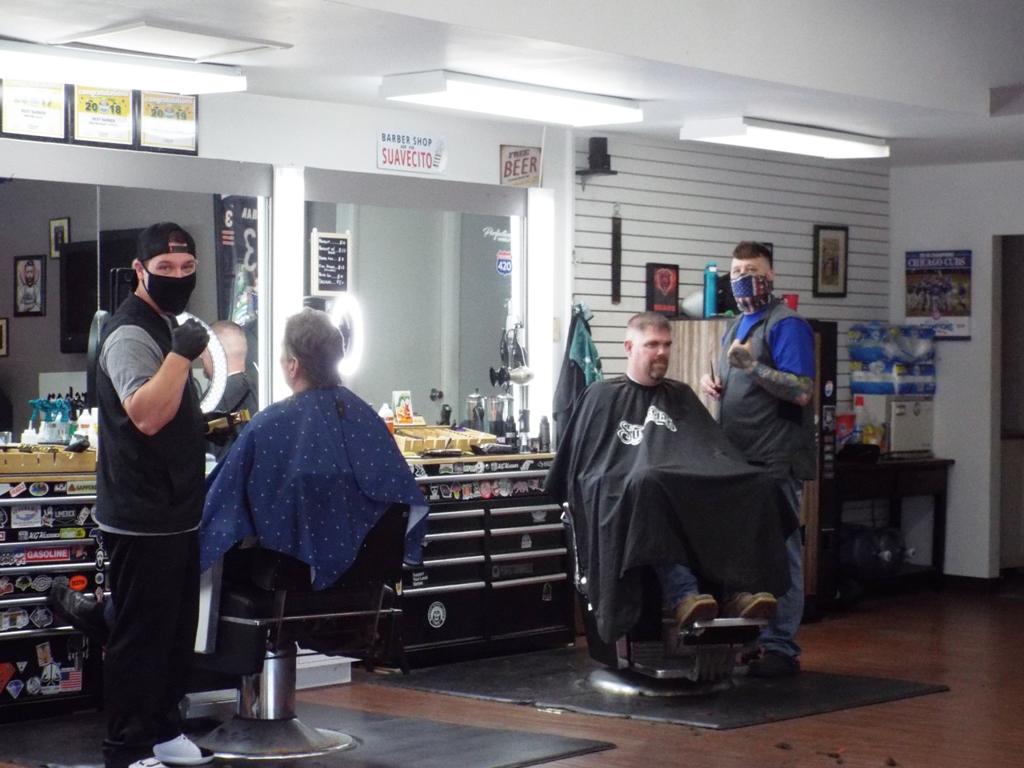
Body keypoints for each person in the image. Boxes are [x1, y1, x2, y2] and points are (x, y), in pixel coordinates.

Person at [49, 222, 213, 768]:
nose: (178, 277)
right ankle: (128, 746)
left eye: (187, 268)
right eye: (166, 268)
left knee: (173, 635)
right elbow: (146, 415)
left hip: (177, 510)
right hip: (141, 513)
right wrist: (182, 355)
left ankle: (164, 730)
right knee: (141, 638)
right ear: (141, 271)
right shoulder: (129, 335)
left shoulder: (164, 326)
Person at [546, 311, 792, 650]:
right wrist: (623, 478)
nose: (662, 352)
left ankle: (738, 591)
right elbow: (584, 470)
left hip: (674, 487)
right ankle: (683, 594)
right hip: (627, 495)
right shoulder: (600, 395)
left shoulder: (681, 395)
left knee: (755, 482)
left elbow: (711, 452)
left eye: (666, 345)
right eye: (652, 345)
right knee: (649, 484)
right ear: (629, 347)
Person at [199, 307, 427, 590]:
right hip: (366, 587)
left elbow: (219, 507)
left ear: (293, 365)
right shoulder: (369, 421)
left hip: (290, 587)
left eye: (282, 354)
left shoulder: (267, 427)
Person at [700, 241, 816, 678]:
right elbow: (739, 380)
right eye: (736, 271)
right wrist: (716, 385)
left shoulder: (787, 325)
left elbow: (801, 391)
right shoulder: (736, 325)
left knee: (782, 553)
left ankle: (781, 647)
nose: (742, 278)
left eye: (751, 270)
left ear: (770, 275)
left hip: (774, 461)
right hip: (737, 460)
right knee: (745, 556)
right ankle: (750, 641)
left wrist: (752, 368)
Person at [200, 320, 258, 461]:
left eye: (203, 350)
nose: (200, 356)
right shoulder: (263, 391)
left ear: (213, 351)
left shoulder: (212, 401)